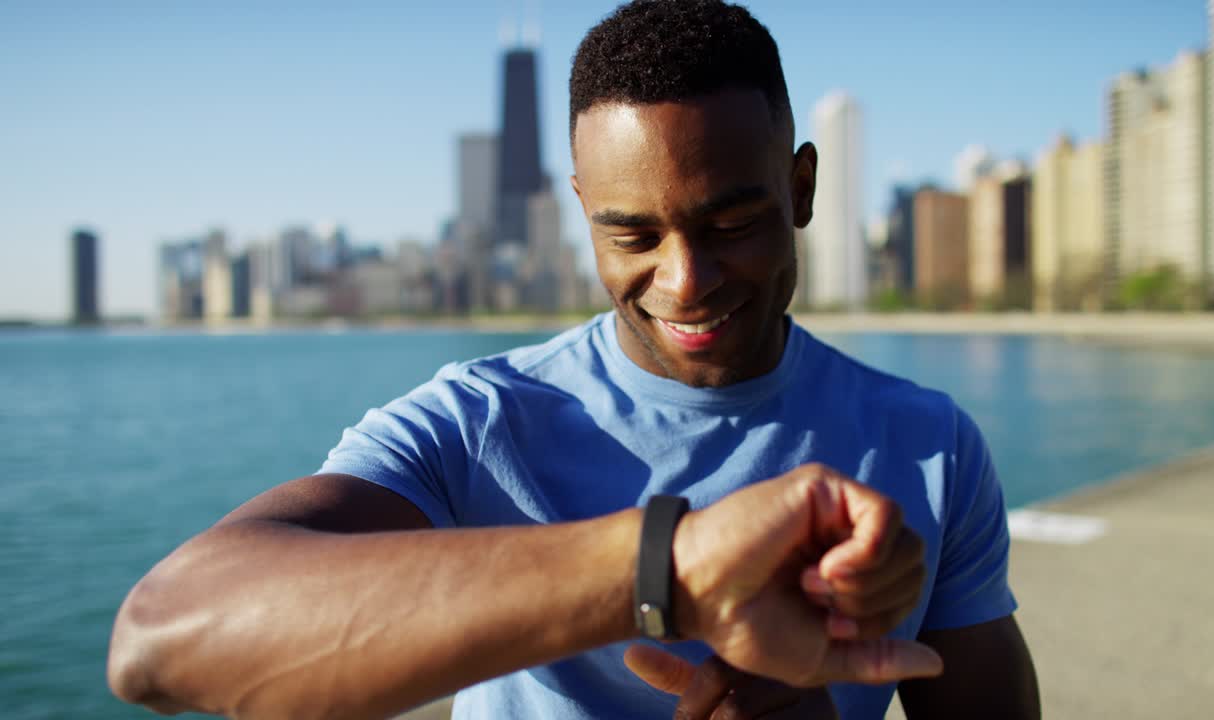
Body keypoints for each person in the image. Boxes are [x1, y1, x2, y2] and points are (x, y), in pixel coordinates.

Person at [108, 1, 1039, 718]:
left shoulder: (929, 445)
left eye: (733, 224)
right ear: (582, 210)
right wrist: (666, 570)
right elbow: (159, 640)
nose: (686, 280)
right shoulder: (476, 421)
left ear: (799, 189)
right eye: (631, 235)